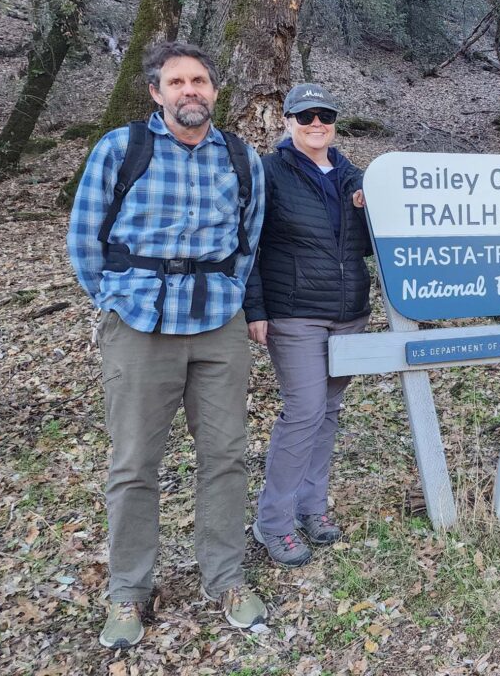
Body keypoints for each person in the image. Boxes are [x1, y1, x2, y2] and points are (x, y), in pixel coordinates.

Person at [67, 41, 267, 649]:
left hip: (217, 327)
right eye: (176, 81)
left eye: (199, 80)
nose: (190, 91)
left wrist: (230, 291)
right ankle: (129, 591)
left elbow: (249, 236)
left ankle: (225, 576)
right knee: (133, 465)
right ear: (156, 92)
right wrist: (116, 298)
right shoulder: (120, 150)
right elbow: (85, 239)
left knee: (226, 455)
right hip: (139, 326)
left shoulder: (239, 157)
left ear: (213, 90)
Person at [244, 84, 372, 567]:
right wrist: (255, 309)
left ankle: (312, 508)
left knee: (330, 410)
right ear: (288, 121)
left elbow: (375, 240)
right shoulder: (270, 171)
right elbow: (248, 242)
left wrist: (368, 203)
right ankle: (273, 521)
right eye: (305, 115)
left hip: (350, 310)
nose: (316, 123)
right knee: (304, 410)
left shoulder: (353, 176)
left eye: (325, 115)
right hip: (294, 310)